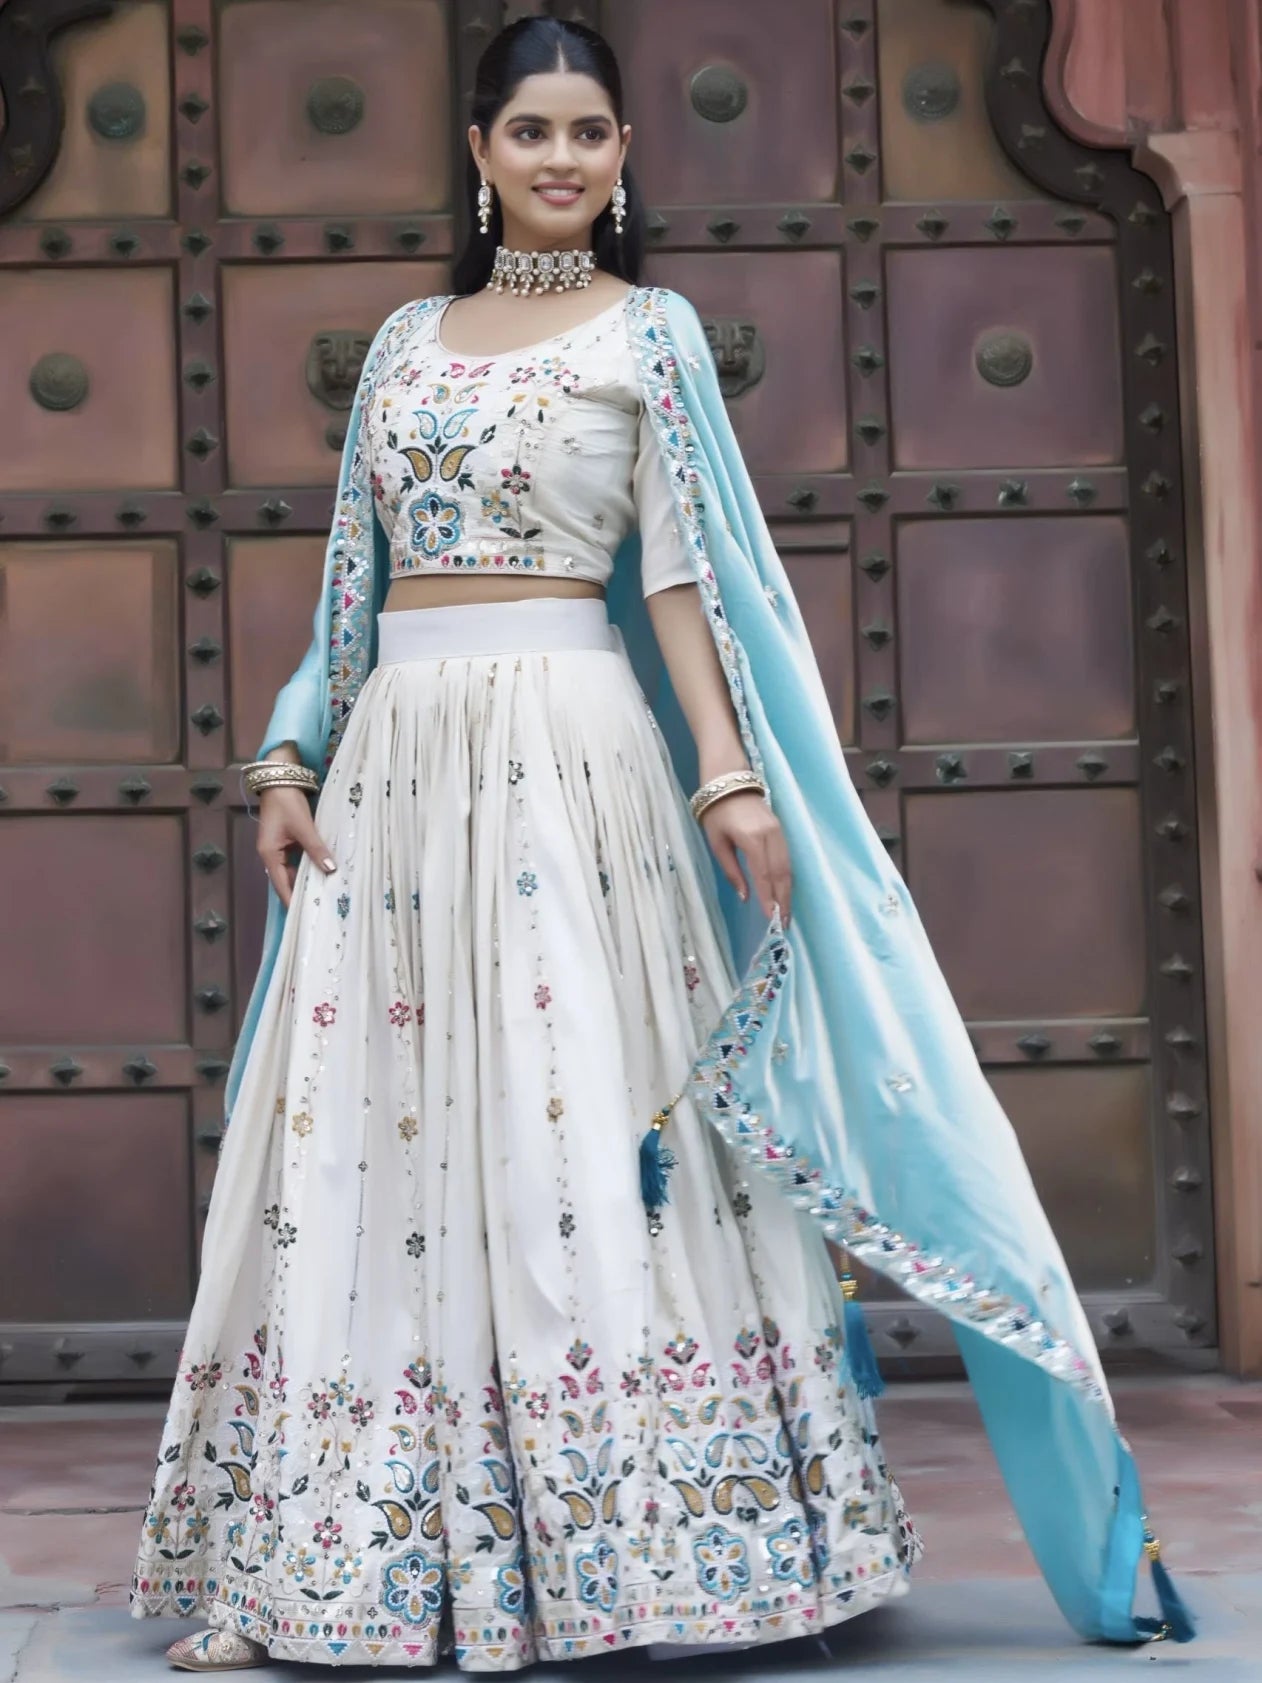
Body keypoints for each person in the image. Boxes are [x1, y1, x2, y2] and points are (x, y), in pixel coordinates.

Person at [130, 15, 1190, 1675]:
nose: (562, 160)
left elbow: (685, 580)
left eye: (593, 134)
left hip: (571, 757)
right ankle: (347, 1558)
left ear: (624, 156)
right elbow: (353, 570)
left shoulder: (651, 333)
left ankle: (639, 1554)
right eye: (532, 131)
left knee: (570, 1131)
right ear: (477, 153)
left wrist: (726, 779)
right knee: (383, 1143)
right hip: (395, 772)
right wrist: (289, 751)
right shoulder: (405, 340)